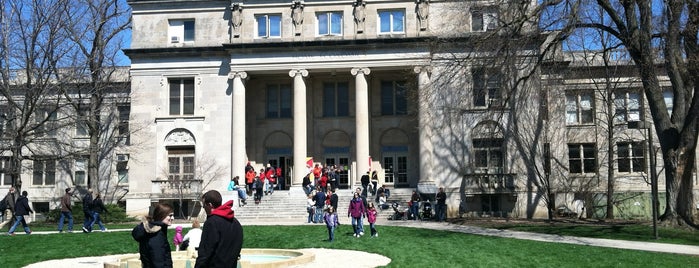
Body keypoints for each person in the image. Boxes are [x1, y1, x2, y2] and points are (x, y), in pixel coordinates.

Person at [195, 190, 243, 268]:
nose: (203, 207)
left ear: (210, 205)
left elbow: (205, 252)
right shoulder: (236, 223)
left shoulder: (211, 223)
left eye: (204, 205)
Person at [131, 202, 174, 268]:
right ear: (161, 215)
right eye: (170, 215)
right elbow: (158, 260)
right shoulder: (156, 234)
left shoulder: (152, 230)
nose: (173, 218)